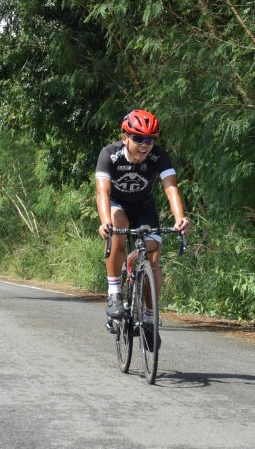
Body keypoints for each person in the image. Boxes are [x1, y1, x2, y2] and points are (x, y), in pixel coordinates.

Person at [96, 109, 190, 349]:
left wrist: (180, 218)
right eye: (138, 139)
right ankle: (114, 293)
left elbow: (171, 188)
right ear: (125, 138)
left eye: (150, 140)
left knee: (154, 255)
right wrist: (105, 221)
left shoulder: (158, 156)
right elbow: (102, 192)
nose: (145, 145)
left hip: (144, 208)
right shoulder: (109, 154)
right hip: (117, 206)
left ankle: (149, 318)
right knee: (118, 228)